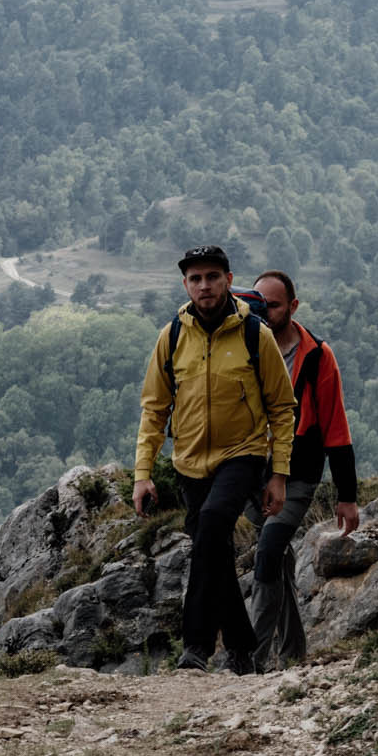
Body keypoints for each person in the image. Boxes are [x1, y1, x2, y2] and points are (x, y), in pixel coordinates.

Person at [133, 245, 296, 674]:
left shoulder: (253, 335)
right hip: (188, 463)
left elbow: (282, 408)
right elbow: (154, 409)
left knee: (210, 526)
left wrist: (278, 474)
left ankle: (196, 647)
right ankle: (243, 651)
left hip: (242, 455)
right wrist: (143, 474)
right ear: (185, 284)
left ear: (228, 279)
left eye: (212, 276)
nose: (204, 285)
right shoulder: (171, 337)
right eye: (195, 278)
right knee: (215, 553)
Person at [243, 269, 360, 670]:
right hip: (250, 474)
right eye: (258, 304)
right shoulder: (242, 347)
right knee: (277, 559)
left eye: (273, 305)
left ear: (293, 306)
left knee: (269, 552)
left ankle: (250, 662)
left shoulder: (316, 357)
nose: (265, 312)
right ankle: (294, 653)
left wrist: (347, 495)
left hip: (297, 476)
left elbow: (336, 428)